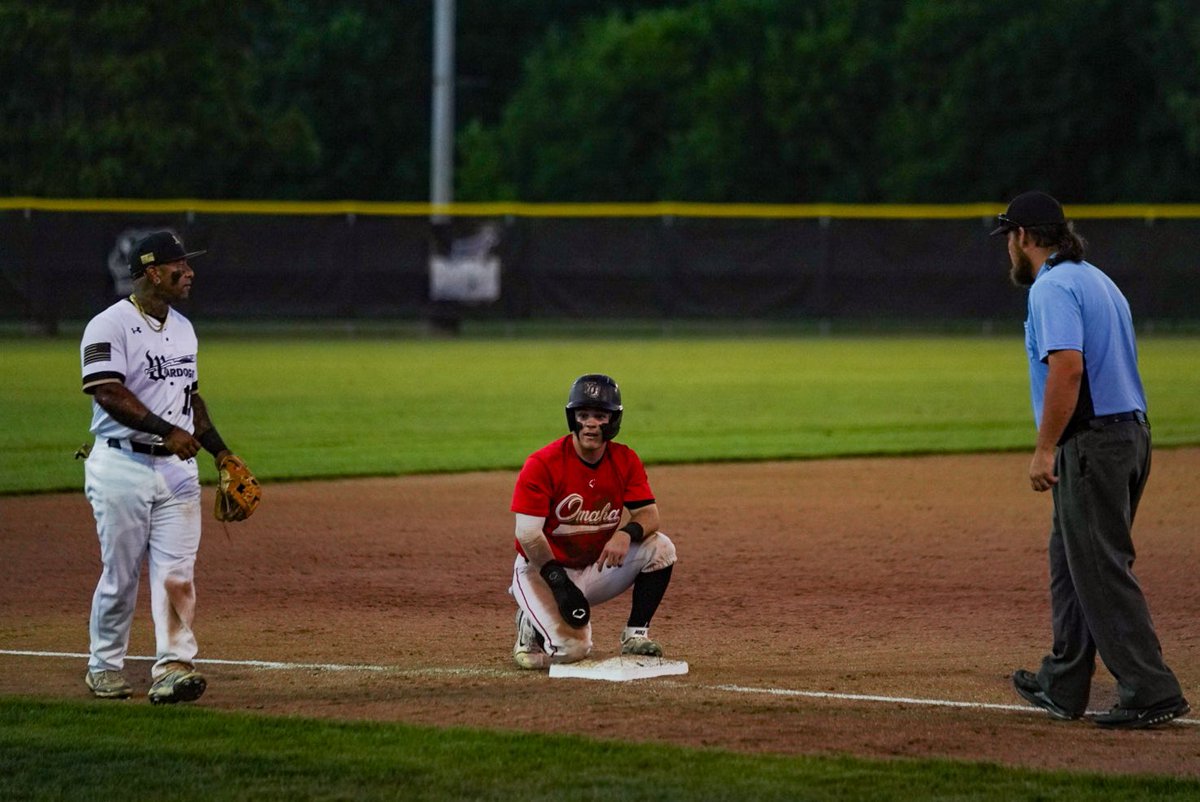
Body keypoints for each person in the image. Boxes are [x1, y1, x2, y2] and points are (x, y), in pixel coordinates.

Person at [993, 191, 1189, 729]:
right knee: (1072, 558)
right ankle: (1064, 680)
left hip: (1093, 441)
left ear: (1026, 237)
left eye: (1010, 236)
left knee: (1099, 565)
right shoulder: (1097, 279)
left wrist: (1044, 447)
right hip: (1129, 433)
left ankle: (1150, 689)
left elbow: (1069, 370)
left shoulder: (1052, 286)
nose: (1009, 247)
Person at [79, 230, 244, 704]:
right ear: (152, 272)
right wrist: (163, 430)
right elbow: (107, 391)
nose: (189, 273)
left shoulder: (183, 328)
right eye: (180, 265)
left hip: (177, 472)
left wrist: (221, 452)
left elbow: (190, 401)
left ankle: (172, 666)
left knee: (177, 573)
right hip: (121, 466)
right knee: (121, 573)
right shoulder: (108, 325)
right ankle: (104, 665)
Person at [508, 373, 677, 669]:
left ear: (613, 421)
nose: (589, 423)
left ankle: (635, 635)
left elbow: (650, 515)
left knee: (661, 548)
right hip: (542, 571)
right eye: (582, 414)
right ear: (572, 418)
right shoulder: (543, 464)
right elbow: (529, 536)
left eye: (599, 415)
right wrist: (560, 585)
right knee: (571, 652)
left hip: (594, 567)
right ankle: (529, 623)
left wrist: (626, 532)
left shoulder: (625, 460)